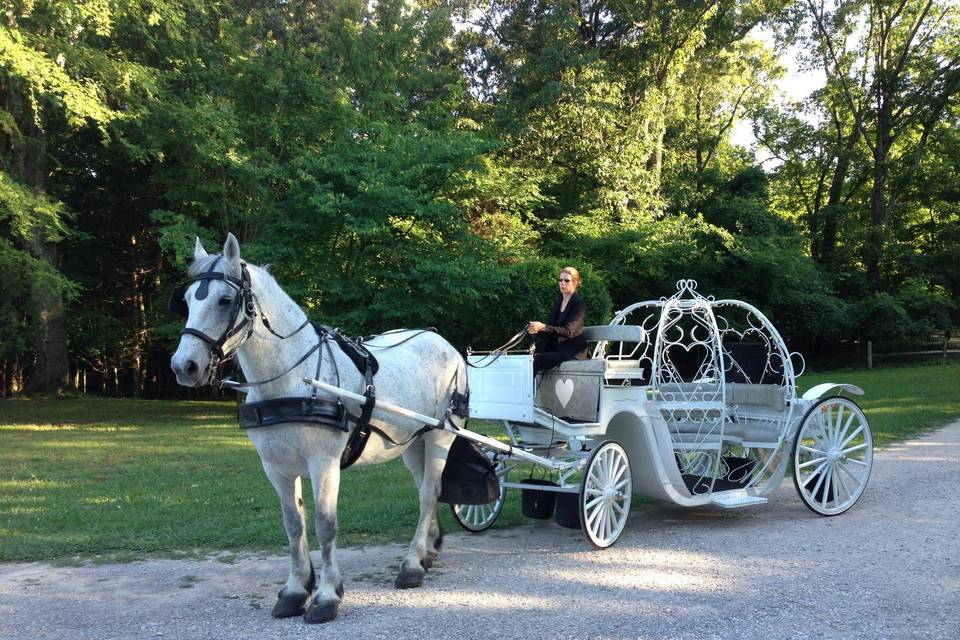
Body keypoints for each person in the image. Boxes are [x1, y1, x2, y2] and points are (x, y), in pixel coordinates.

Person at [528, 266, 587, 372]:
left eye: (566, 280)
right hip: (557, 349)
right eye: (560, 280)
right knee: (527, 360)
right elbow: (551, 329)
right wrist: (536, 329)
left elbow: (568, 331)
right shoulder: (558, 302)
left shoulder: (578, 303)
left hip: (572, 352)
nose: (562, 283)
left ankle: (527, 389)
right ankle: (529, 389)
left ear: (575, 283)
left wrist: (543, 327)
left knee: (535, 360)